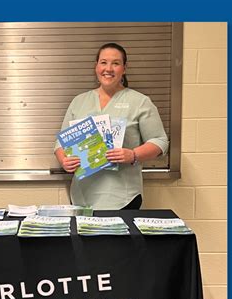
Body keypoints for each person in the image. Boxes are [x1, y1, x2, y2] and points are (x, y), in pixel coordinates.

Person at [54, 43, 169, 210]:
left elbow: (160, 141)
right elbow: (60, 143)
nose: (108, 68)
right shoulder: (78, 102)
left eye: (115, 63)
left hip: (124, 198)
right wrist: (64, 160)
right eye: (103, 62)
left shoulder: (140, 102)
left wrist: (133, 155)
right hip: (82, 198)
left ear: (124, 68)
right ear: (96, 66)